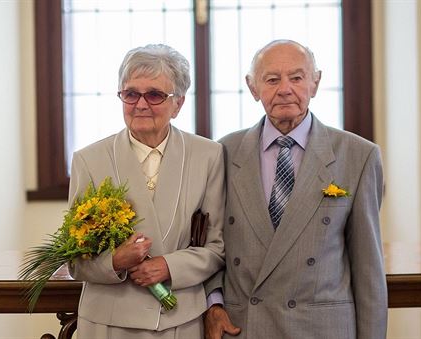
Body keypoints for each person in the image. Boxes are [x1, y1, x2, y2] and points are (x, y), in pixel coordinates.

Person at [204, 39, 387, 338]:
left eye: (297, 77)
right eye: (272, 79)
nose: (285, 89)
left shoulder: (358, 155)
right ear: (253, 87)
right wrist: (213, 304)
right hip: (245, 326)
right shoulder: (223, 151)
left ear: (315, 83)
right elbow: (210, 244)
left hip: (322, 328)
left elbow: (368, 271)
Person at [68, 44, 225, 338]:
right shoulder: (89, 160)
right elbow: (76, 260)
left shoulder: (208, 156)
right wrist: (115, 262)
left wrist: (169, 266)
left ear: (178, 103)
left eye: (154, 95)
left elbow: (217, 247)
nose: (140, 104)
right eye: (130, 94)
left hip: (180, 319)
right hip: (108, 321)